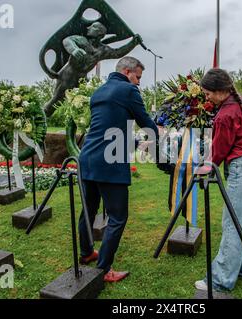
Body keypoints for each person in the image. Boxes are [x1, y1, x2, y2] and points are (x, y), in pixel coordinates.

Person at [77, 56, 158, 283]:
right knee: (117, 217)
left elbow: (108, 128)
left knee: (88, 210)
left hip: (88, 158)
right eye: (138, 77)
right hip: (109, 164)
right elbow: (145, 121)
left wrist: (134, 143)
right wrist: (156, 133)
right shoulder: (128, 91)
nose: (139, 83)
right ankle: (104, 269)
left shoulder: (99, 92)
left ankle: (86, 253)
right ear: (126, 71)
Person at [194, 68, 242, 292]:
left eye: (208, 93)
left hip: (241, 166)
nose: (207, 98)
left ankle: (221, 279)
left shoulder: (225, 115)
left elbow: (219, 151)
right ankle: (241, 266)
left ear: (219, 90)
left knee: (232, 224)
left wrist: (205, 166)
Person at [43, 21, 143, 117]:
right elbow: (67, 40)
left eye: (93, 26)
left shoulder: (102, 50)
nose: (88, 27)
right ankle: (39, 118)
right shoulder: (82, 40)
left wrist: (133, 43)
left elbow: (118, 53)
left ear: (99, 33)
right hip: (68, 76)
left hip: (82, 80)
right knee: (56, 101)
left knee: (81, 107)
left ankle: (77, 130)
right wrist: (74, 49)